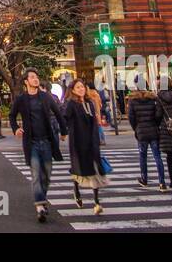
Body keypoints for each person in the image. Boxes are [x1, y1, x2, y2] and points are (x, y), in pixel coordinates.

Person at [10, 68, 68, 223]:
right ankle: (40, 206)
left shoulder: (45, 97)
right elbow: (12, 115)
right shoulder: (21, 99)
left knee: (46, 175)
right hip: (32, 143)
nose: (36, 79)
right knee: (36, 174)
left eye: (37, 77)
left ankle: (42, 199)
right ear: (26, 82)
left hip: (47, 141)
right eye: (32, 77)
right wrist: (16, 128)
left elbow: (58, 113)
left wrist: (63, 131)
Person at [63, 79, 109, 213]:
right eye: (78, 87)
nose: (81, 89)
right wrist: (63, 132)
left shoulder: (90, 102)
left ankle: (96, 202)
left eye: (82, 86)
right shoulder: (71, 104)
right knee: (80, 169)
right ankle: (76, 190)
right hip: (78, 141)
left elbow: (94, 121)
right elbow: (65, 119)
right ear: (73, 90)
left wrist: (98, 137)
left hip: (92, 141)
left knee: (94, 170)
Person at [127, 86, 165, 190]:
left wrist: (136, 128)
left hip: (141, 132)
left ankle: (144, 179)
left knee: (143, 157)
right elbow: (159, 114)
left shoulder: (132, 100)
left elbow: (131, 117)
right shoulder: (153, 98)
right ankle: (162, 182)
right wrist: (156, 124)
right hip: (153, 130)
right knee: (157, 157)